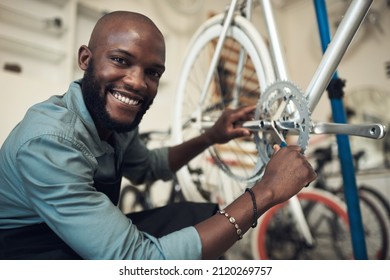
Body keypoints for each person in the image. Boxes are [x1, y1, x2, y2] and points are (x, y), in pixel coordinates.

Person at [0, 11, 316, 260]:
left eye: (153, 72)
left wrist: (210, 137)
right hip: (27, 252)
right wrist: (266, 193)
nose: (138, 82)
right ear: (86, 59)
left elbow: (150, 166)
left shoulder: (113, 120)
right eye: (120, 60)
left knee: (203, 217)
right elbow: (137, 261)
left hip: (66, 235)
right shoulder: (49, 141)